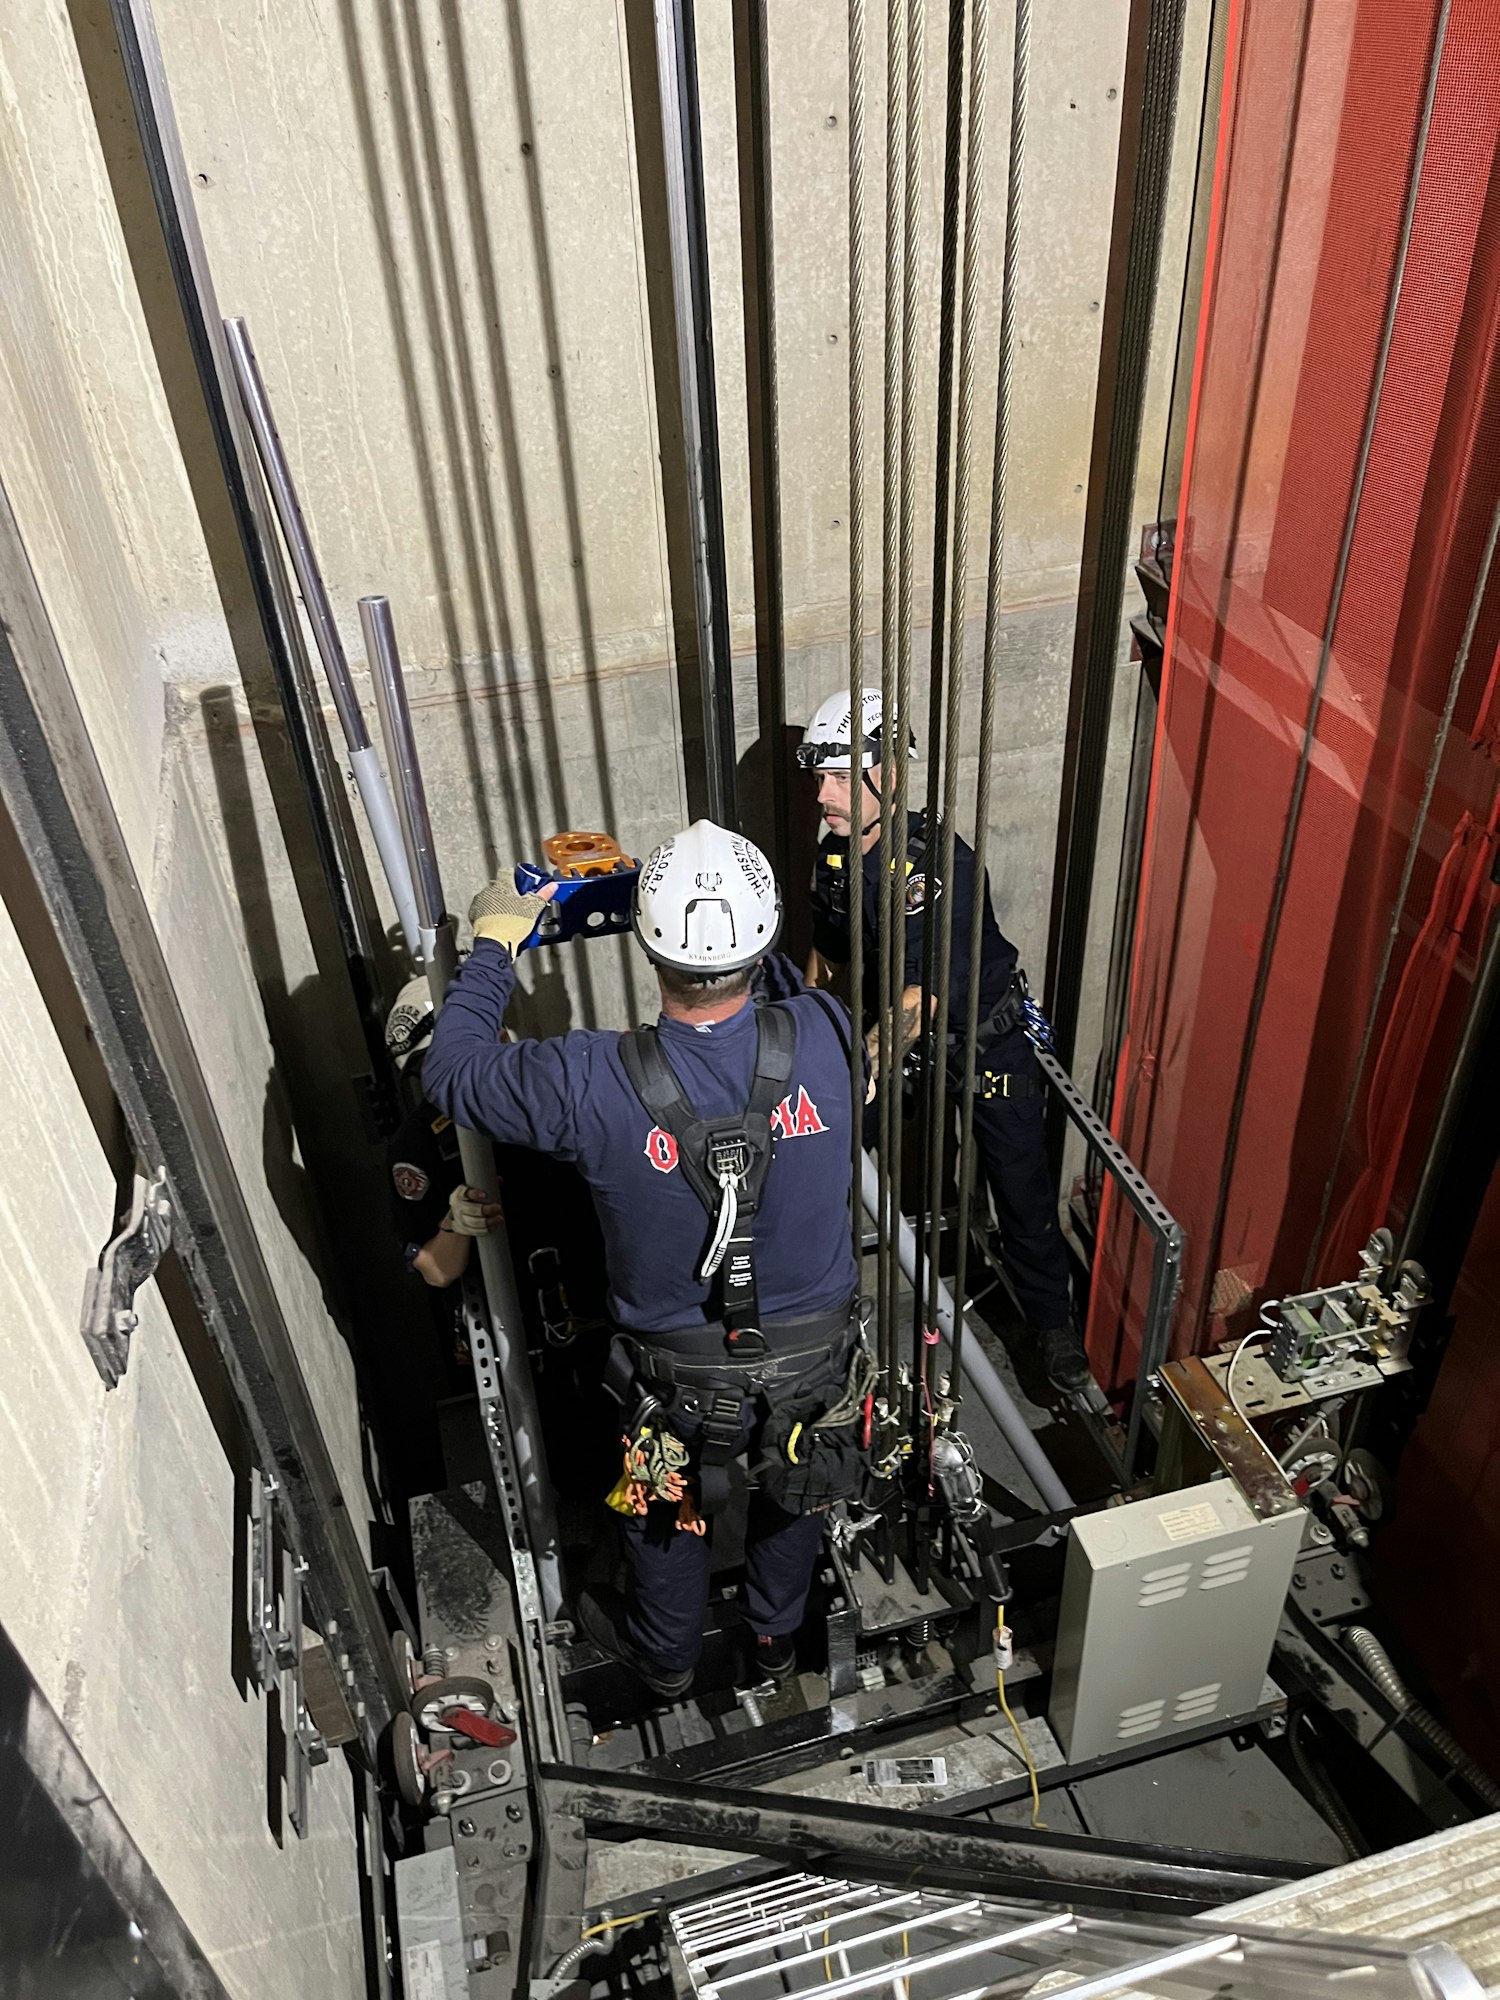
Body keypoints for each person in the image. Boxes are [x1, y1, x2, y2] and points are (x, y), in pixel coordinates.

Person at [421, 821, 864, 1699]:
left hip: (677, 1377)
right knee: (800, 1475)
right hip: (819, 1357)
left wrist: (495, 948)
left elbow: (453, 1072)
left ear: (650, 949)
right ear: (765, 935)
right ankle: (777, 1639)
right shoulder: (826, 1032)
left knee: (666, 1506)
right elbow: (768, 988)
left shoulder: (589, 1080)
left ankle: (666, 1661)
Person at [797, 687, 1090, 1392]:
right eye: (820, 780)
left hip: (980, 1042)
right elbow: (828, 955)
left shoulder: (936, 871)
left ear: (888, 776)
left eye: (839, 778)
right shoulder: (836, 859)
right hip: (905, 1046)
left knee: (1019, 1186)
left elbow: (916, 1002)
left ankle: (1052, 1327)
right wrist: (802, 1031)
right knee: (821, 1151)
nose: (823, 798)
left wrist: (854, 1067)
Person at [384, 977, 501, 1293]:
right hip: (530, 1317)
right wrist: (456, 1223)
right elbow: (436, 1270)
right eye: (427, 1067)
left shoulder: (550, 1079)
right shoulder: (417, 1145)